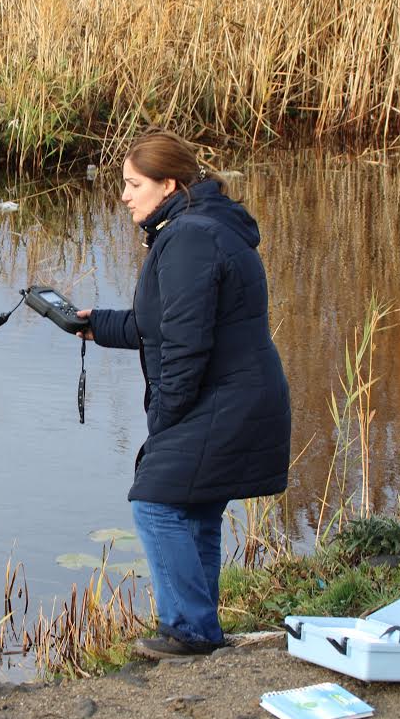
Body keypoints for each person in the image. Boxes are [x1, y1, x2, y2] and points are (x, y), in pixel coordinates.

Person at [77, 130, 291, 660]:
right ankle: (198, 630)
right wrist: (95, 325)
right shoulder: (201, 226)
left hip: (225, 398)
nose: (125, 195)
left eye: (133, 184)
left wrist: (165, 421)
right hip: (237, 393)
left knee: (155, 502)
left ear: (167, 183)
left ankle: (191, 631)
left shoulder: (190, 238)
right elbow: (165, 322)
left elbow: (185, 345)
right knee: (193, 510)